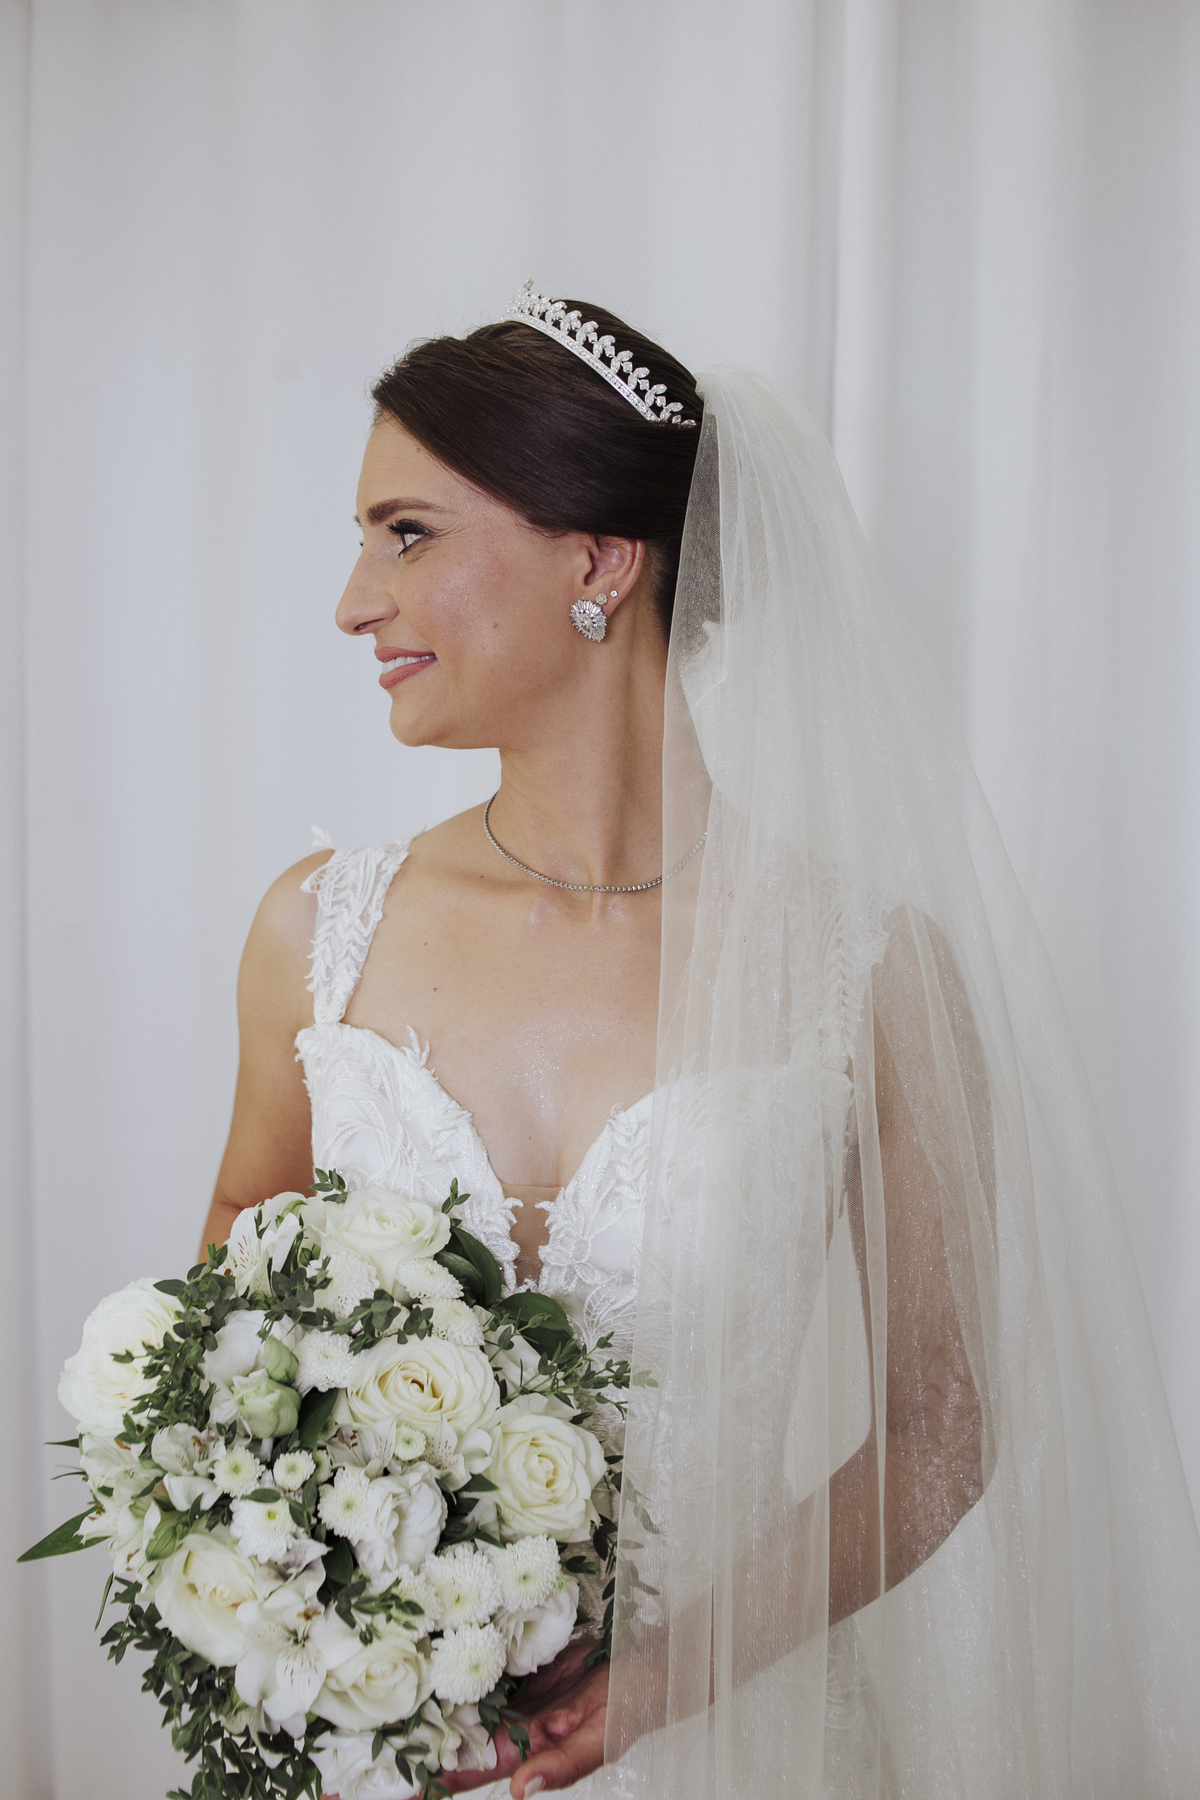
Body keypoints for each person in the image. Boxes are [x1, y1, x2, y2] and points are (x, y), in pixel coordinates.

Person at [202, 283, 1200, 1799]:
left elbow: (938, 1427)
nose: (355, 601)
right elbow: (235, 1258)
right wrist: (302, 1578)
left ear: (600, 560)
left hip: (741, 1746)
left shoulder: (869, 971)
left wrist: (673, 1678)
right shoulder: (316, 929)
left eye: (406, 535)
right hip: (381, 1748)